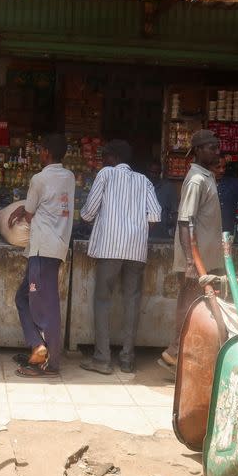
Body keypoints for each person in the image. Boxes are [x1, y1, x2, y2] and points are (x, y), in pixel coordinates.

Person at [79, 140, 161, 374]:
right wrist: (135, 232)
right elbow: (155, 216)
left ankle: (102, 359)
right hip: (136, 251)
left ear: (113, 158)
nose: (102, 162)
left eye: (105, 157)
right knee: (132, 302)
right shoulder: (144, 180)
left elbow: (88, 212)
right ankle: (127, 358)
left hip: (109, 248)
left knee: (103, 301)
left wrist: (89, 217)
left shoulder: (106, 174)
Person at [9, 133, 75, 378]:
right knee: (23, 297)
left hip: (42, 248)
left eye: (41, 150)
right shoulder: (69, 177)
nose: (39, 154)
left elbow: (29, 213)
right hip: (56, 247)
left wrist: (22, 211)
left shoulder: (39, 179)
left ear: (46, 152)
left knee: (43, 305)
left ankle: (49, 361)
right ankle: (36, 346)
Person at [160, 129, 224, 371]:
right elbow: (185, 221)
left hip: (205, 257)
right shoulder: (197, 180)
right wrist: (189, 261)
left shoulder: (206, 177)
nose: (216, 152)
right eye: (211, 147)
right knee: (189, 303)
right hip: (197, 259)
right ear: (197, 150)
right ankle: (175, 350)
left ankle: (184, 353)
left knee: (198, 305)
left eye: (217, 147)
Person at [146, 159, 178, 240]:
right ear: (148, 172)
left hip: (162, 231)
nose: (153, 175)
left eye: (156, 172)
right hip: (144, 231)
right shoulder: (142, 186)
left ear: (160, 173)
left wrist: (176, 232)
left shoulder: (168, 188)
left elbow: (174, 211)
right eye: (151, 172)